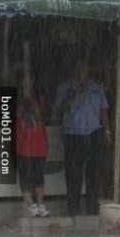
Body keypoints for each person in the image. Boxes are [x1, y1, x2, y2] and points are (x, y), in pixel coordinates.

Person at [53, 64, 111, 217]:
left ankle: (92, 207)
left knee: (93, 172)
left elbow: (103, 110)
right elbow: (58, 110)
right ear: (74, 71)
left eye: (84, 69)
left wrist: (107, 130)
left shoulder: (96, 88)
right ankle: (73, 208)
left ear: (88, 70)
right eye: (78, 69)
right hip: (73, 134)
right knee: (73, 173)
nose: (81, 72)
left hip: (93, 133)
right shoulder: (65, 88)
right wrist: (73, 95)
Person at [16, 72, 50, 217]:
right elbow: (15, 115)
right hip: (24, 145)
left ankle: (41, 204)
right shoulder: (17, 100)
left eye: (29, 83)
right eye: (25, 83)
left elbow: (40, 115)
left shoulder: (40, 98)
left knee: (38, 176)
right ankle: (30, 205)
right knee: (25, 176)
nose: (27, 86)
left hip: (38, 144)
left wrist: (31, 99)